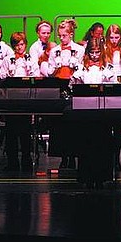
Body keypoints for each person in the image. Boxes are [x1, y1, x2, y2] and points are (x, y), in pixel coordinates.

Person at [70, 37, 117, 188]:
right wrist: (76, 81)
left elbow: (114, 88)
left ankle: (102, 178)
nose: (95, 55)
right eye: (92, 52)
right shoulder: (81, 68)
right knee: (86, 144)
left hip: (103, 111)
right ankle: (87, 177)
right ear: (87, 52)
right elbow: (73, 88)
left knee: (103, 144)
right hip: (86, 111)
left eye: (98, 52)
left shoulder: (108, 68)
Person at [0, 32, 40, 172]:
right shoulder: (8, 59)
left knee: (25, 132)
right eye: (16, 44)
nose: (19, 47)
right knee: (11, 132)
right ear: (13, 46)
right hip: (11, 99)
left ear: (25, 45)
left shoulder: (31, 59)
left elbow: (37, 75)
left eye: (21, 44)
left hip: (26, 99)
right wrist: (8, 73)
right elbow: (0, 76)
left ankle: (27, 161)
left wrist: (30, 71)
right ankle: (12, 162)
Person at [46, 19, 85, 170]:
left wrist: (74, 66)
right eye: (60, 36)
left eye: (64, 35)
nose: (62, 38)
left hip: (73, 85)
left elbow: (82, 69)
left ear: (71, 34)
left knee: (75, 123)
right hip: (59, 86)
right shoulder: (54, 50)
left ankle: (75, 156)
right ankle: (63, 156)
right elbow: (49, 72)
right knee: (60, 123)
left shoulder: (79, 50)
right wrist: (55, 67)